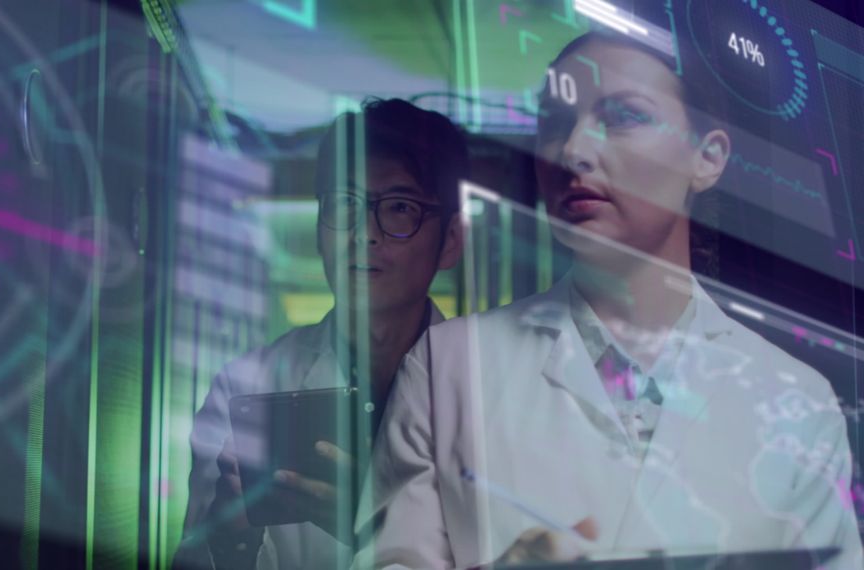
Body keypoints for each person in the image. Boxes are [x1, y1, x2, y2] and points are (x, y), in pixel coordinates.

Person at [354, 32, 864, 569]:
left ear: (707, 157)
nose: (573, 150)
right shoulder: (447, 365)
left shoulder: (797, 401)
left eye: (623, 117)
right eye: (554, 123)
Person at [173, 98, 469, 570]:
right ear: (318, 227)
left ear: (450, 241)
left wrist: (380, 527)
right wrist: (231, 540)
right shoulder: (246, 384)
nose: (364, 234)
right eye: (345, 203)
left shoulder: (493, 390)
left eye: (400, 207)